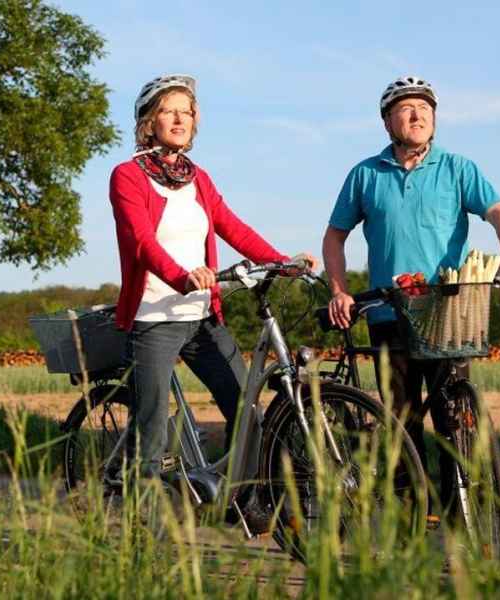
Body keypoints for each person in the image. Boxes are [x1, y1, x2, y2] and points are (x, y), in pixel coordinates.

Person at [322, 75, 500, 511]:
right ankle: (409, 512)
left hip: (449, 311)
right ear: (387, 121)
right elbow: (335, 235)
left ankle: (460, 511)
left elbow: (499, 212)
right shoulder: (365, 174)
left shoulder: (457, 168)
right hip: (388, 313)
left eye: (425, 110)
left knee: (455, 419)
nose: (417, 116)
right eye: (406, 109)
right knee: (400, 418)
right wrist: (339, 291)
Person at [110, 74, 315, 484]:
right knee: (151, 434)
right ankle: (141, 535)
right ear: (149, 122)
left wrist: (281, 262)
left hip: (203, 317)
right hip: (154, 319)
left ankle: (253, 496)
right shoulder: (127, 176)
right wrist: (180, 277)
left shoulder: (197, 177)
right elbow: (141, 241)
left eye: (186, 112)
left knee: (245, 410)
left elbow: (232, 227)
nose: (179, 118)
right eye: (168, 110)